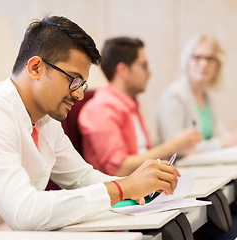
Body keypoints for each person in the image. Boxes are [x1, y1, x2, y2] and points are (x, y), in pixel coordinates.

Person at [0, 17, 180, 239]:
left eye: (83, 84)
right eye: (74, 80)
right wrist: (123, 188)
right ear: (36, 67)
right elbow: (24, 213)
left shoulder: (45, 119)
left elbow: (81, 178)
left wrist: (138, 186)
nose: (79, 94)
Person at [78, 37, 202, 177]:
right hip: (122, 194)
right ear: (123, 70)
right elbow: (119, 169)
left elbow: (141, 153)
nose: (149, 72)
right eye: (143, 66)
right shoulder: (100, 109)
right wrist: (174, 145)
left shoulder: (130, 103)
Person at [157, 34, 237, 154]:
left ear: (217, 66)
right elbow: (173, 146)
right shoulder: (174, 95)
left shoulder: (208, 96)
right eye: (197, 57)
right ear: (186, 61)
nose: (204, 64)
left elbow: (220, 135)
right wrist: (223, 143)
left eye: (210, 59)